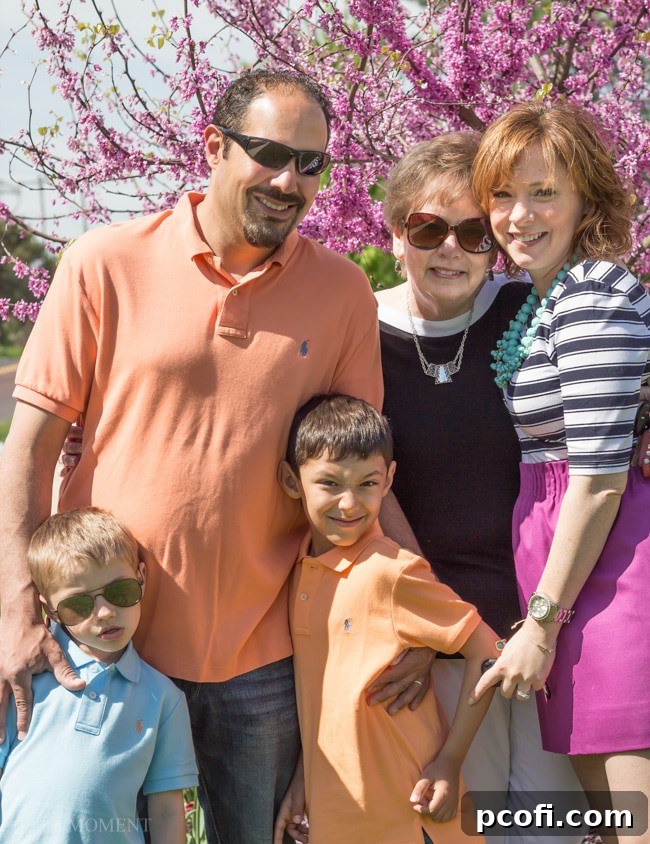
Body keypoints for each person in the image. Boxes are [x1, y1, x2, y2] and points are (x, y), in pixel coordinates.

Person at [0, 69, 430, 843]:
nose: (289, 179)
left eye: (311, 162)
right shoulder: (104, 262)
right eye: (268, 153)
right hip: (105, 644)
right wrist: (11, 612)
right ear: (213, 147)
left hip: (261, 663)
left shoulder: (341, 295)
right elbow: (26, 452)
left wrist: (422, 612)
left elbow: (358, 479)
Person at [376, 132, 586, 843]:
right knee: (469, 825)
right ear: (394, 231)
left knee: (551, 828)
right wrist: (431, 624)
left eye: (473, 233)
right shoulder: (360, 329)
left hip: (546, 626)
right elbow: (359, 489)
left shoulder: (527, 310)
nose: (451, 250)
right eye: (428, 229)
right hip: (437, 634)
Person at [470, 100, 650, 839]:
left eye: (545, 192)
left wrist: (540, 625)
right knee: (608, 825)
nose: (520, 215)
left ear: (587, 199)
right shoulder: (540, 299)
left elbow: (601, 476)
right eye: (504, 194)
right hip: (570, 577)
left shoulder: (592, 293)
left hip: (615, 574)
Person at [274, 393, 498, 844]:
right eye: (330, 483)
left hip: (414, 816)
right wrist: (304, 779)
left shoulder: (392, 572)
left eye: (367, 483)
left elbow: (490, 654)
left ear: (389, 479)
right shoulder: (298, 573)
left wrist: (450, 763)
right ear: (292, 480)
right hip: (341, 819)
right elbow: (326, 700)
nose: (348, 503)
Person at [0, 507, 198, 843]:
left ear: (141, 578)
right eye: (79, 604)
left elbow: (166, 809)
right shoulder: (25, 679)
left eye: (120, 592)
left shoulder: (164, 699)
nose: (105, 613)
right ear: (50, 610)